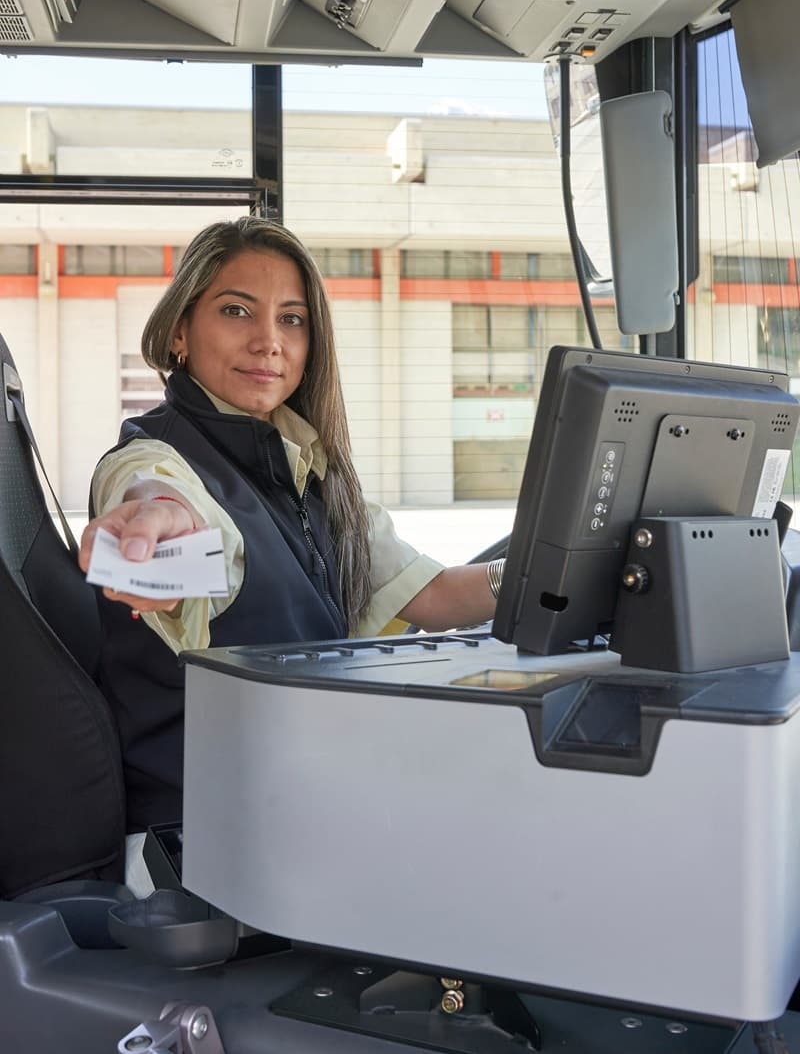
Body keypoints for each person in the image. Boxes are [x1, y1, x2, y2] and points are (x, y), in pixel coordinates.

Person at [79, 218, 505, 839]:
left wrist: (554, 570)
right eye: (236, 311)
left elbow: (435, 594)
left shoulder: (305, 462)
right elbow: (163, 505)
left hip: (312, 781)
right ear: (178, 332)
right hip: (212, 828)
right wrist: (158, 535)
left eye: (292, 319)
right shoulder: (155, 458)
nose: (269, 342)